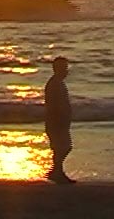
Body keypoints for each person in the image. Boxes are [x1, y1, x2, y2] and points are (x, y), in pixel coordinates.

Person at [44, 56, 76, 184]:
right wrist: (60, 119)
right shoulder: (54, 83)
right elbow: (54, 105)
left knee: (62, 147)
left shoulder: (57, 82)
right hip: (56, 121)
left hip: (58, 120)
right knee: (63, 147)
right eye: (64, 68)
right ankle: (56, 171)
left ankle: (57, 171)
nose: (66, 71)